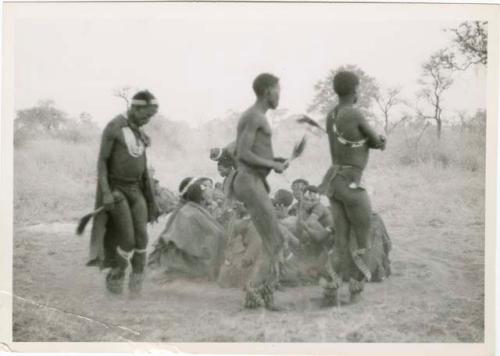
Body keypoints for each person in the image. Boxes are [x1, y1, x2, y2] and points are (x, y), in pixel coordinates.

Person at [318, 71, 386, 305]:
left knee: (340, 242)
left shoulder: (331, 115)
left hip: (334, 182)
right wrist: (381, 141)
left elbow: (347, 143)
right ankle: (355, 294)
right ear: (355, 89)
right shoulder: (355, 113)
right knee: (363, 240)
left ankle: (329, 293)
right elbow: (376, 142)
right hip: (352, 182)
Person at [87, 90, 160, 295]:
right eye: (145, 115)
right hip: (117, 190)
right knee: (127, 240)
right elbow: (102, 161)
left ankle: (136, 285)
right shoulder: (114, 127)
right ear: (135, 108)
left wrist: (151, 198)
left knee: (142, 238)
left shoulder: (138, 132)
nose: (147, 120)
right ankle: (116, 276)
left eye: (151, 117)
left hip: (136, 190)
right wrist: (106, 193)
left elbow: (143, 166)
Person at [228, 73, 289, 310]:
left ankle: (261, 295)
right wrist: (273, 165)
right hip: (249, 180)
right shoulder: (254, 117)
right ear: (267, 91)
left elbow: (252, 152)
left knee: (273, 239)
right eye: (278, 90)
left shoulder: (256, 116)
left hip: (253, 180)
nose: (279, 95)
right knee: (276, 240)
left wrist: (273, 159)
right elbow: (242, 153)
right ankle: (255, 294)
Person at [148, 177, 226, 281]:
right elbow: (217, 234)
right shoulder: (191, 212)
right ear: (201, 195)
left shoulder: (192, 208)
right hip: (181, 255)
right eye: (206, 187)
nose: (211, 190)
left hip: (179, 251)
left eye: (210, 186)